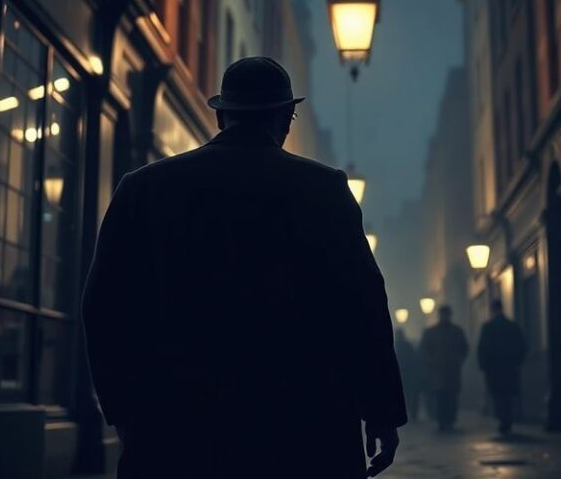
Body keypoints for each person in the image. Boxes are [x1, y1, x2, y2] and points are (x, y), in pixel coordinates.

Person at [82, 57, 407, 479]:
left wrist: (124, 410)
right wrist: (381, 411)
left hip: (176, 428)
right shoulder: (323, 190)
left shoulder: (144, 188)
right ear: (286, 118)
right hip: (304, 428)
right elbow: (363, 307)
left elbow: (105, 307)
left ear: (220, 115)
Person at [477, 299, 527, 435]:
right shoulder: (512, 326)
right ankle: (507, 420)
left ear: (492, 310)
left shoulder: (488, 327)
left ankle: (503, 420)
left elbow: (482, 348)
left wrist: (483, 365)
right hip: (509, 367)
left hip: (494, 368)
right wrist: (516, 361)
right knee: (508, 395)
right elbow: (522, 346)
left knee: (497, 395)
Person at [419, 305, 468, 431]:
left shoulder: (456, 331)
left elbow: (464, 348)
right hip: (438, 372)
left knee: (451, 397)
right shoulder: (431, 332)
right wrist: (430, 362)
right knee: (441, 397)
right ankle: (442, 420)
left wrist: (458, 360)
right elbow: (424, 350)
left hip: (452, 371)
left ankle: (450, 420)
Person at [394, 328, 422, 422]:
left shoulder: (395, 346)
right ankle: (411, 413)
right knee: (410, 394)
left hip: (402, 373)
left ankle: (407, 413)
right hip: (407, 373)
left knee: (405, 394)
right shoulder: (406, 345)